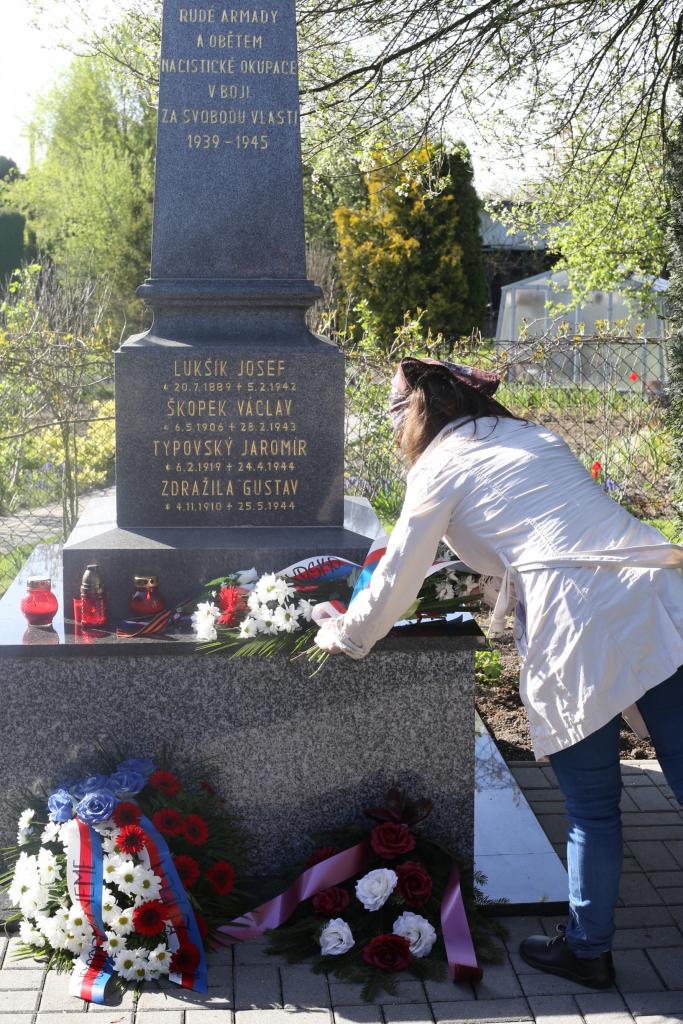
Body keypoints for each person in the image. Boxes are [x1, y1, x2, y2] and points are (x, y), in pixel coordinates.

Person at [315, 356, 683, 990]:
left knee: (592, 806)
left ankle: (588, 949)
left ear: (418, 412)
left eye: (396, 414)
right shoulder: (532, 435)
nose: (395, 428)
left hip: (578, 619)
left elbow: (400, 571)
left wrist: (348, 633)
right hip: (653, 590)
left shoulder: (440, 463)